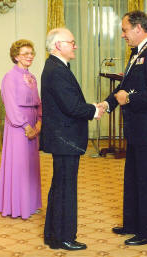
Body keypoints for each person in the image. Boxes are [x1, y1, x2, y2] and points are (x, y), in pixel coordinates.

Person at [98, 11, 147, 245]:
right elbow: (124, 86)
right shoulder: (137, 53)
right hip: (137, 130)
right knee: (133, 178)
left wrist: (128, 99)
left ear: (139, 28)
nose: (122, 35)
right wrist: (107, 104)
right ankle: (132, 223)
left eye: (125, 29)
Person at [40, 28, 105, 251]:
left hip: (62, 137)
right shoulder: (57, 70)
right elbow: (71, 106)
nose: (75, 46)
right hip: (64, 138)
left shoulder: (56, 66)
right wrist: (94, 110)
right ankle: (64, 237)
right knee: (65, 188)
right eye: (72, 42)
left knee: (60, 186)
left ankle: (53, 234)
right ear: (58, 45)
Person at [0, 39, 42, 219]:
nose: (29, 57)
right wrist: (26, 126)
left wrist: (38, 123)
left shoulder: (32, 77)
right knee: (19, 165)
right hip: (18, 126)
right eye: (25, 54)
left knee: (30, 166)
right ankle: (17, 206)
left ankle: (30, 204)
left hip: (32, 124)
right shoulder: (9, 77)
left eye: (31, 53)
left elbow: (38, 102)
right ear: (16, 57)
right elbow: (11, 106)